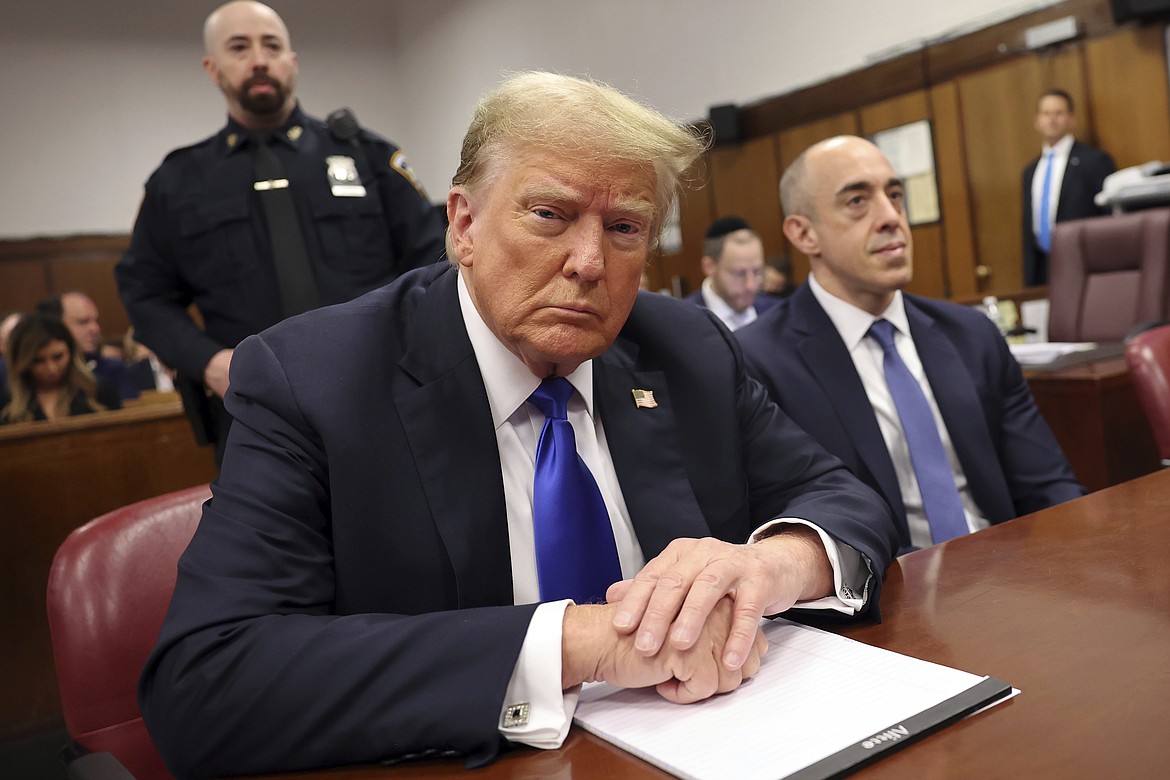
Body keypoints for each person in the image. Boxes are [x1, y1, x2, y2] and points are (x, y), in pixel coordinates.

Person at [140, 73, 899, 778]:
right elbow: (207, 679)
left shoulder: (688, 347)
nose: (589, 262)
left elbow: (846, 499)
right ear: (464, 223)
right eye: (550, 215)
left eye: (626, 227)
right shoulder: (312, 380)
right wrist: (586, 643)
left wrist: (768, 568)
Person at [115, 0, 447, 462]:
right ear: (212, 69)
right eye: (239, 47)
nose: (258, 59)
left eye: (272, 45)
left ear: (292, 61)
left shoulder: (368, 157)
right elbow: (144, 292)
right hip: (257, 411)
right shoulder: (179, 182)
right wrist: (209, 362)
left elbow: (434, 262)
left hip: (382, 393)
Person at [738, 135, 1084, 555]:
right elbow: (794, 532)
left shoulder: (971, 335)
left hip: (1008, 573)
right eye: (857, 202)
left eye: (895, 195)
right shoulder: (758, 362)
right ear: (804, 233)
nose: (890, 217)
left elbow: (1048, 484)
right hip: (884, 595)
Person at [1021, 89, 1114, 286]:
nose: (1052, 119)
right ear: (1036, 121)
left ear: (1072, 119)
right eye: (1046, 114)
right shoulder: (1030, 171)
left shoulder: (1094, 161)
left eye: (1059, 113)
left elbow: (1109, 216)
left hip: (1085, 263)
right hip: (1043, 269)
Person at [1, 313, 121, 424]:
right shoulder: (6, 405)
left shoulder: (98, 392)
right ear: (22, 362)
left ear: (71, 352)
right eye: (38, 361)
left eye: (58, 357)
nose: (51, 368)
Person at [35, 292, 139, 401]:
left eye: (95, 320)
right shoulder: (39, 375)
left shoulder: (112, 369)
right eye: (83, 322)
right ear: (55, 325)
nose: (95, 329)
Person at [685, 216, 777, 330]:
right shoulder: (684, 320)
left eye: (757, 271)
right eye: (739, 274)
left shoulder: (777, 313)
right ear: (709, 266)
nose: (751, 285)